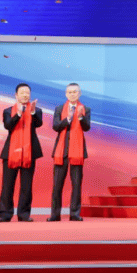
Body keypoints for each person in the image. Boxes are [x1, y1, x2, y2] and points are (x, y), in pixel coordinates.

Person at [0, 83, 43, 222]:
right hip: (11, 152)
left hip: (30, 152)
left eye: (27, 93)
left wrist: (33, 112)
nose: (25, 95)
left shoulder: (36, 110)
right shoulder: (8, 110)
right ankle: (5, 214)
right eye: (22, 92)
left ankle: (24, 214)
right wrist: (18, 114)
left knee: (26, 186)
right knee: (7, 185)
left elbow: (38, 124)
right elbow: (8, 125)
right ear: (16, 95)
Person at [50, 83, 91, 221]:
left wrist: (80, 117)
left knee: (76, 185)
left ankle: (74, 214)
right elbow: (56, 126)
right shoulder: (59, 108)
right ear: (66, 94)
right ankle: (55, 214)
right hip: (61, 151)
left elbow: (87, 127)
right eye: (70, 92)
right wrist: (67, 119)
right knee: (57, 185)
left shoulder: (85, 109)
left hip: (77, 151)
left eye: (75, 92)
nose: (72, 94)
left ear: (79, 93)